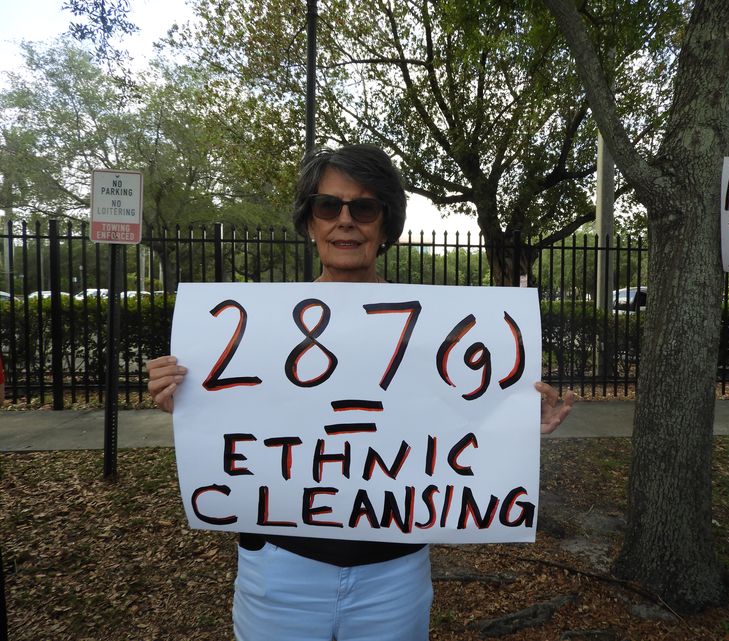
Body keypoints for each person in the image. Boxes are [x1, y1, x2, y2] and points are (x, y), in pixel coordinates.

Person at [147, 144, 574, 641]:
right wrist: (189, 398)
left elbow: (460, 419)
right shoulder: (257, 335)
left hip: (392, 575)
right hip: (280, 571)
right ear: (310, 222)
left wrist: (516, 419)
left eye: (364, 208)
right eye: (328, 206)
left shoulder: (432, 333)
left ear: (385, 226)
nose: (345, 220)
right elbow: (236, 419)